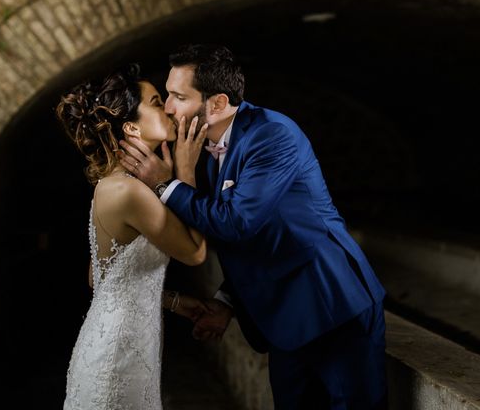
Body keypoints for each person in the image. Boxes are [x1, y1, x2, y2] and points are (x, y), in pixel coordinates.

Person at [120, 45, 388, 409]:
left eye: (179, 96)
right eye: (167, 94)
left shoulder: (272, 135)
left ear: (216, 103)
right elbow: (261, 240)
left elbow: (237, 224)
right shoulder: (211, 147)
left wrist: (164, 185)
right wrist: (227, 302)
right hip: (284, 319)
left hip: (330, 307)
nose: (168, 107)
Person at [56, 65, 209, 410]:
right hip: (118, 358)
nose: (168, 108)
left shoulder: (115, 185)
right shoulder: (128, 191)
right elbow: (196, 253)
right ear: (130, 127)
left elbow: (100, 278)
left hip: (118, 346)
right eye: (156, 102)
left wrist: (173, 302)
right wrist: (184, 176)